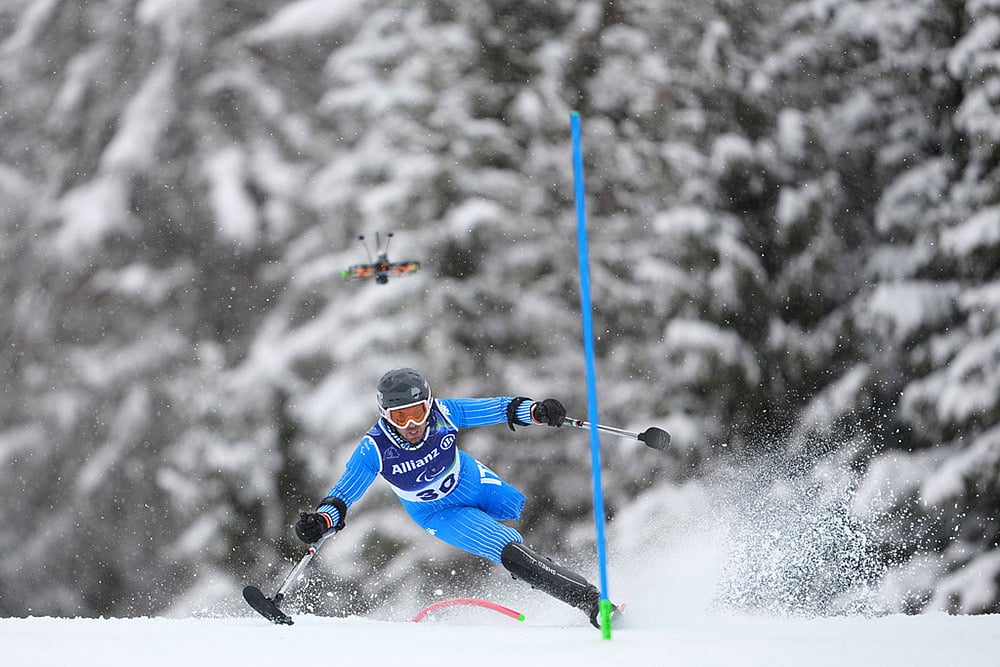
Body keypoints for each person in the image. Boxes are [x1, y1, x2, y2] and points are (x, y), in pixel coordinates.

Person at [293, 367, 610, 628]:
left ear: (428, 404)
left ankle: (538, 567)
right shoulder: (374, 449)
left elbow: (498, 408)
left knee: (520, 507)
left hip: (472, 479)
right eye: (401, 417)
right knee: (506, 549)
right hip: (436, 512)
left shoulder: (444, 413)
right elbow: (344, 493)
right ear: (385, 416)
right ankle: (589, 601)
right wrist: (322, 520)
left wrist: (536, 411)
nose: (413, 425)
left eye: (417, 412)